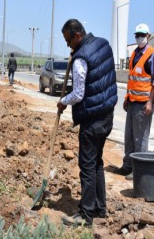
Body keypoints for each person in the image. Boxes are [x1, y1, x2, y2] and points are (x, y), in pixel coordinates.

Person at [58, 19, 118, 227]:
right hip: (107, 115)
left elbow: (78, 94)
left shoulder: (80, 59)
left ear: (77, 36)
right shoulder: (103, 44)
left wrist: (63, 102)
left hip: (92, 119)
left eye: (68, 40)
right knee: (97, 163)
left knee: (87, 166)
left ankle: (86, 215)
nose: (67, 45)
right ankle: (100, 208)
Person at [115, 23, 154, 180]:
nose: (139, 37)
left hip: (144, 103)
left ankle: (138, 170)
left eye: (142, 35)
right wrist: (126, 98)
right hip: (132, 101)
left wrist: (150, 102)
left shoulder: (151, 55)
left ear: (148, 36)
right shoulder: (135, 54)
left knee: (141, 138)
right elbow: (132, 79)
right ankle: (127, 166)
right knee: (129, 136)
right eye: (137, 35)